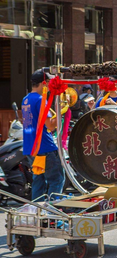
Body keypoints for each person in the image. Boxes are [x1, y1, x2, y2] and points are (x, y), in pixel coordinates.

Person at [22, 69, 64, 201]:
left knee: (38, 181)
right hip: (45, 147)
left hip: (31, 148)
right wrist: (61, 112)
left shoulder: (26, 99)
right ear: (43, 83)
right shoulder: (41, 100)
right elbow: (50, 126)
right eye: (49, 82)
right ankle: (51, 213)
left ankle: (38, 213)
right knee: (56, 180)